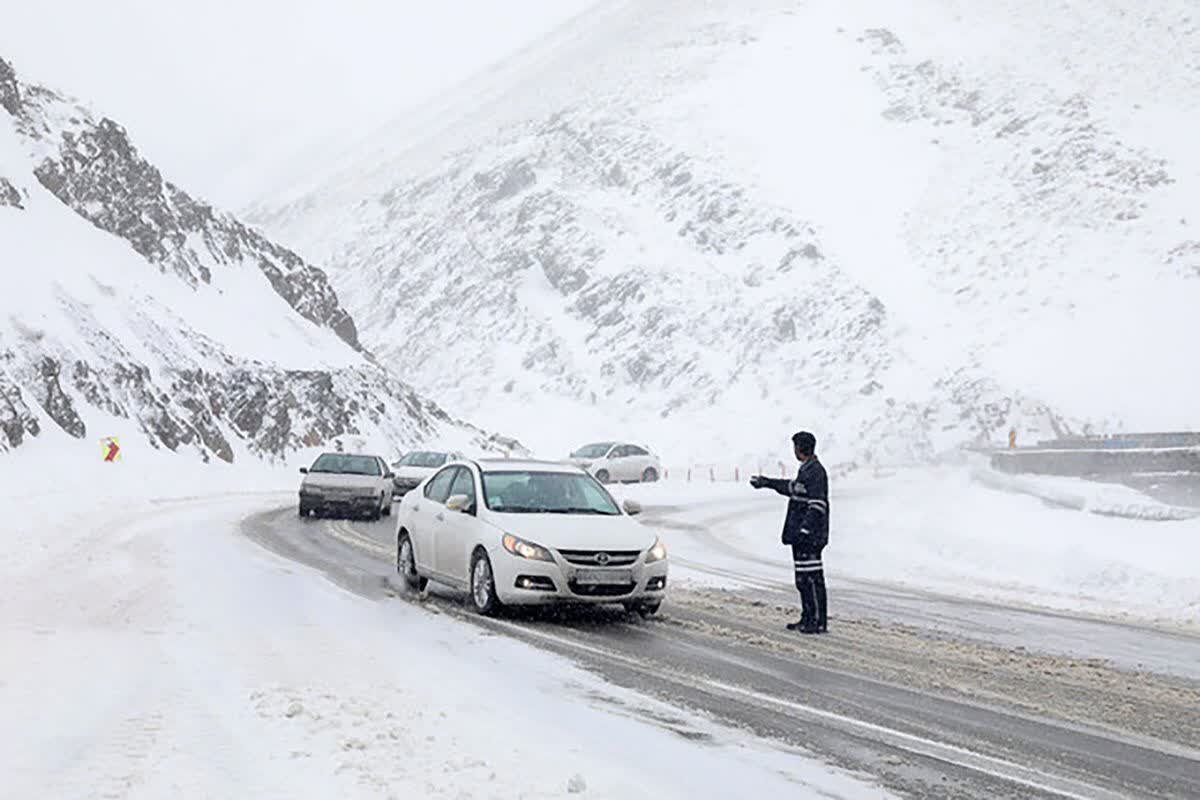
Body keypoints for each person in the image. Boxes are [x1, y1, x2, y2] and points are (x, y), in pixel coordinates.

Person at [750, 431, 829, 634]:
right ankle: (807, 616)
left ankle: (817, 621)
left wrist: (805, 528)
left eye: (795, 446)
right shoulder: (806, 470)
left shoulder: (816, 472)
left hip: (810, 537)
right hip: (801, 536)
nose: (794, 450)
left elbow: (817, 504)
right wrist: (767, 482)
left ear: (800, 448)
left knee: (812, 578)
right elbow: (792, 488)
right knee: (802, 580)